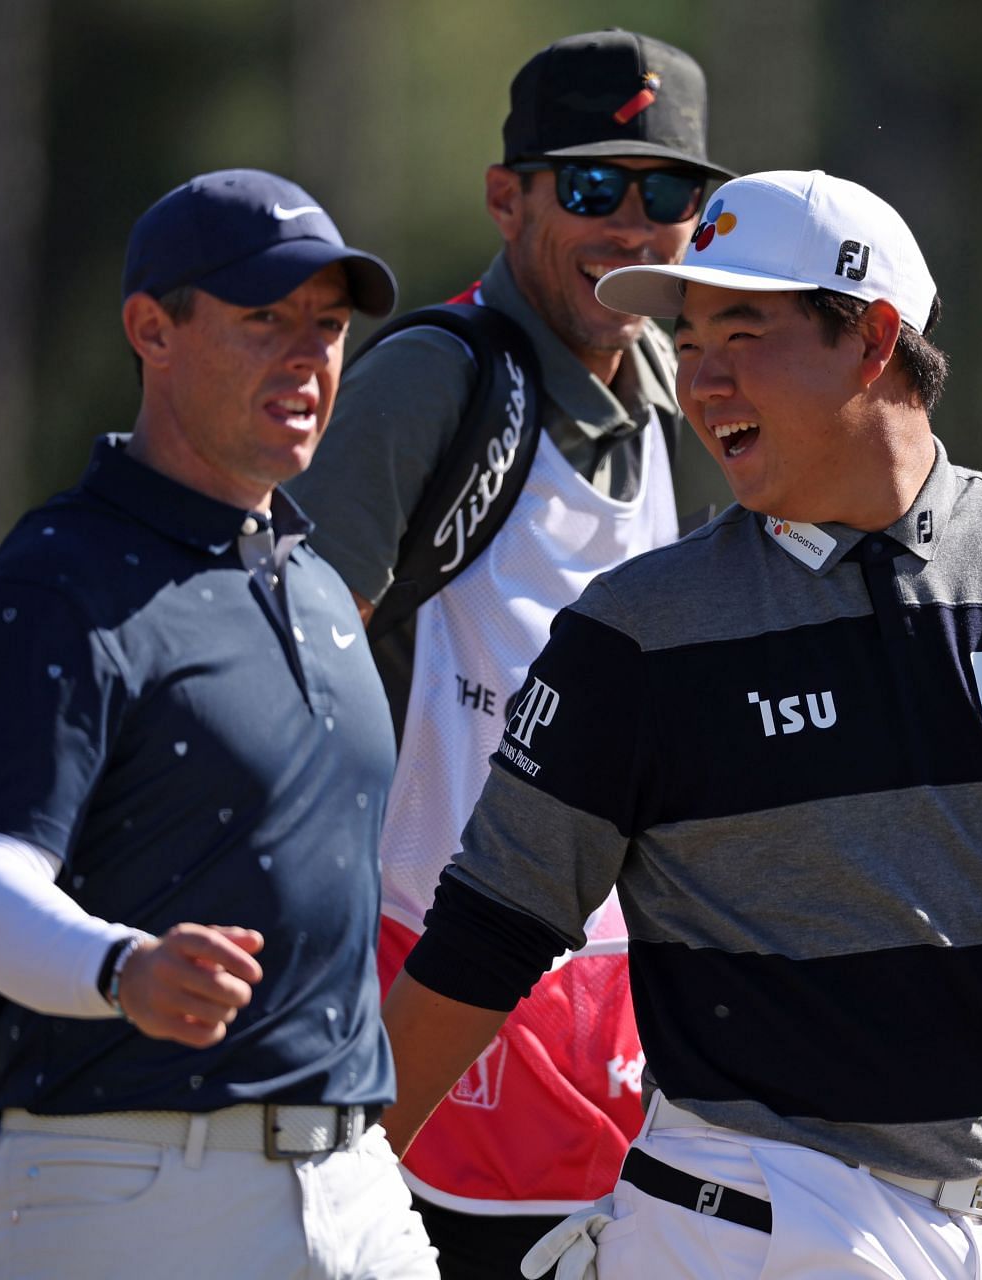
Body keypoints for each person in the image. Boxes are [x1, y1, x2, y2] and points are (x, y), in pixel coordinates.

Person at [377, 168, 982, 1280]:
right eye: (687, 342)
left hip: (979, 1218)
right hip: (744, 1216)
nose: (701, 378)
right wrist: (343, 1176)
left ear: (873, 340)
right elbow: (491, 926)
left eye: (743, 332)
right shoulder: (637, 630)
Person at [0, 168, 437, 1279]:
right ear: (151, 329)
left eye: (329, 325)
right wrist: (122, 966)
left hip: (356, 1186)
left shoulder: (313, 583)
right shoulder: (58, 582)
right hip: (129, 1194)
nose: (308, 355)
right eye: (265, 318)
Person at [284, 27, 733, 1277]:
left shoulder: (673, 383)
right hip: (416, 964)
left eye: (669, 193)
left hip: (598, 989)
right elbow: (286, 659)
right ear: (507, 196)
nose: (631, 227)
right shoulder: (438, 379)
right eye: (591, 188)